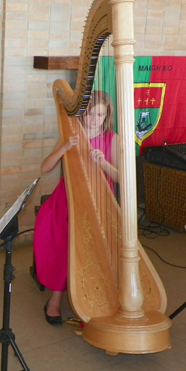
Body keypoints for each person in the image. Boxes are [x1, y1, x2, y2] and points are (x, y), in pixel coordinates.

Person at [33, 90, 118, 325]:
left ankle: (96, 299)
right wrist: (64, 147)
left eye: (99, 114)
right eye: (90, 114)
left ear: (106, 115)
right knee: (65, 241)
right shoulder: (70, 135)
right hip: (68, 198)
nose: (94, 119)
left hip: (101, 201)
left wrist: (104, 163)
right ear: (82, 115)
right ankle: (55, 301)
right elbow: (45, 168)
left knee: (99, 246)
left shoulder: (113, 138)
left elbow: (121, 178)